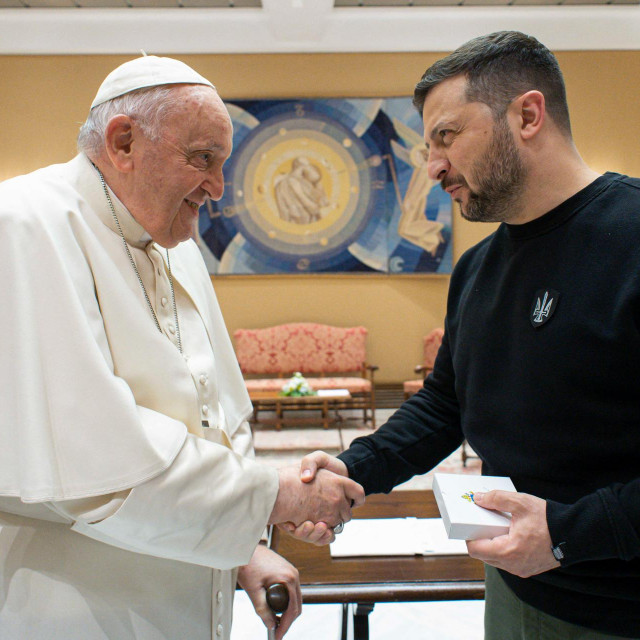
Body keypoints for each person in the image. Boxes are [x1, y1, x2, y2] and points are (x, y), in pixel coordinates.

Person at [0, 55, 364, 640]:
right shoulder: (24, 225)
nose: (219, 188)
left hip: (190, 584)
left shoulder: (177, 244)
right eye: (202, 159)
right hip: (76, 603)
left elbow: (211, 414)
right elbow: (96, 466)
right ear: (123, 142)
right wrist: (273, 496)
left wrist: (243, 546)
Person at [292, 31, 640, 639]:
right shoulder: (477, 268)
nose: (433, 167)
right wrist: (353, 469)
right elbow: (446, 403)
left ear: (527, 115)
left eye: (447, 137)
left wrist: (566, 535)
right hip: (514, 590)